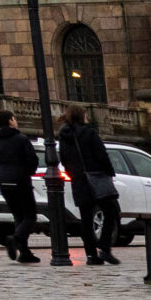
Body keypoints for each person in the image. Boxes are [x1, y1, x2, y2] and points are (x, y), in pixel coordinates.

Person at [58, 106, 118, 265]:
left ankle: (91, 255)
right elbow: (101, 155)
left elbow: (63, 159)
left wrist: (73, 174)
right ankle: (105, 248)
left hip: (79, 180)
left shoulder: (64, 136)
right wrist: (109, 172)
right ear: (82, 116)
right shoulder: (89, 133)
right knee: (111, 211)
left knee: (85, 219)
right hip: (96, 177)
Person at [0, 111, 42, 263]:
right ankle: (16, 239)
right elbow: (32, 160)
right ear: (11, 121)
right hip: (20, 180)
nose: (15, 121)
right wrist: (27, 172)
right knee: (30, 216)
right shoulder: (21, 139)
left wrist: (3, 173)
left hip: (4, 182)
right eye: (14, 118)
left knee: (19, 216)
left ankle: (24, 252)